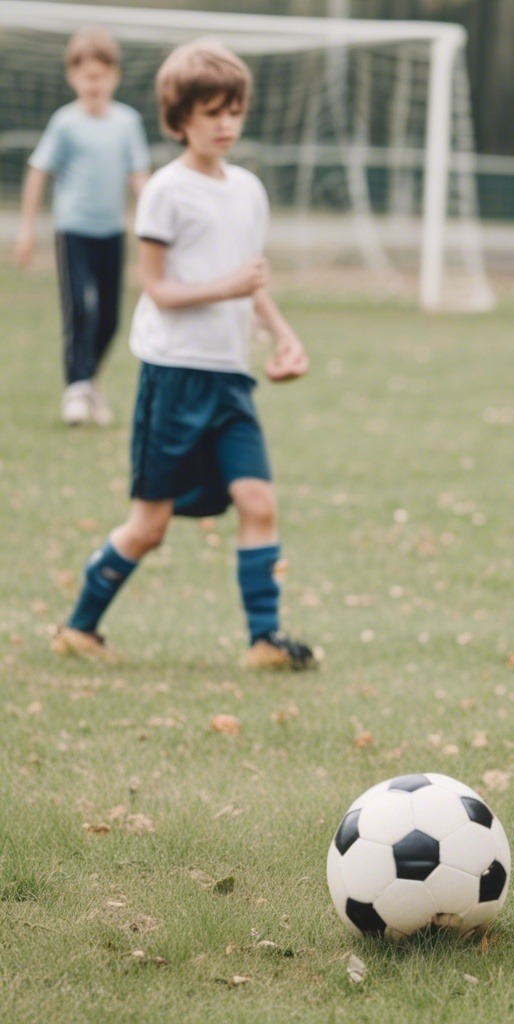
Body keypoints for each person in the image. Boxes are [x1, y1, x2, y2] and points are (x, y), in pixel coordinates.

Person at [52, 38, 316, 671]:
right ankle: (79, 627)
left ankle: (264, 641)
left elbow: (251, 282)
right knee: (149, 526)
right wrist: (226, 288)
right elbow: (160, 290)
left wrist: (284, 335)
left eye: (234, 111)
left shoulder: (249, 190)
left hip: (231, 380)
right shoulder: (166, 191)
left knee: (259, 503)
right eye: (211, 112)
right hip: (173, 378)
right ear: (179, 120)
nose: (225, 123)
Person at [15, 27, 150, 426]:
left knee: (109, 318)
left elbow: (139, 177)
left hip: (111, 232)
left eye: (102, 75)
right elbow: (38, 172)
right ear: (73, 77)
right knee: (81, 311)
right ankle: (76, 390)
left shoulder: (127, 123)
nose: (95, 83)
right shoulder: (65, 123)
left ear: (115, 76)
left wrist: (155, 225)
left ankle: (90, 383)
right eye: (87, 75)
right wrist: (26, 229)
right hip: (72, 230)